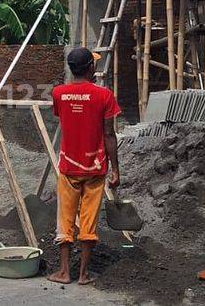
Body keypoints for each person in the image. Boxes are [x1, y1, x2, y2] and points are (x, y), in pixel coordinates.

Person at [47, 47, 121, 285]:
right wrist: (116, 170)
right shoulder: (105, 96)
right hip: (95, 168)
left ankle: (64, 272)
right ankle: (83, 274)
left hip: (69, 167)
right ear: (91, 67)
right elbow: (109, 135)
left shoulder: (59, 94)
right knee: (89, 222)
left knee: (65, 220)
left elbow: (66, 118)